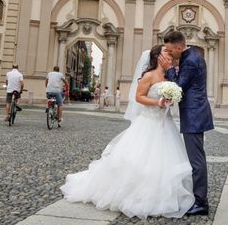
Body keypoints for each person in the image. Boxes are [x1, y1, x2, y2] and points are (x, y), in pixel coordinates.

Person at [62, 45, 194, 219]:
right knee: (140, 160)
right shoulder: (149, 75)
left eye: (170, 52)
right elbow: (139, 97)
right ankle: (138, 194)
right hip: (148, 122)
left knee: (165, 159)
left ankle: (163, 194)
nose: (169, 54)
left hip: (165, 123)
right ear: (157, 57)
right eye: (165, 52)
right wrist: (158, 103)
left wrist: (171, 98)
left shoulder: (170, 75)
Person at [163, 30, 214, 216]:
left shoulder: (191, 60)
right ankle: (198, 198)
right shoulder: (191, 55)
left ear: (179, 47)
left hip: (194, 114)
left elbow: (177, 87)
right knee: (196, 158)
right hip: (194, 113)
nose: (169, 54)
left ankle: (201, 202)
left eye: (170, 51)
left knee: (196, 160)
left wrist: (169, 68)